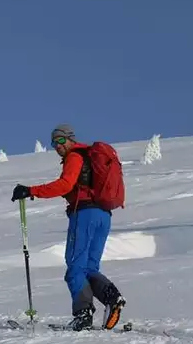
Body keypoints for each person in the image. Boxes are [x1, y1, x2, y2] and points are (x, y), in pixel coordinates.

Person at [11, 124, 126, 331]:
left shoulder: (75, 157)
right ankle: (112, 298)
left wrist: (31, 190)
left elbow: (65, 185)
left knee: (74, 267)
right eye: (54, 143)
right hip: (103, 216)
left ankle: (83, 314)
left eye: (61, 141)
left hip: (84, 214)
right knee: (89, 268)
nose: (57, 146)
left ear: (70, 139)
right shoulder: (88, 157)